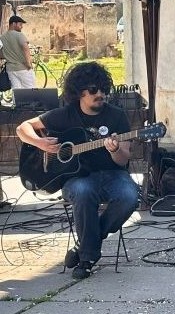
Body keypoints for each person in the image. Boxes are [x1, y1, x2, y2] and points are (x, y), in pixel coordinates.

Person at [15, 61, 139, 279]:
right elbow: (22, 128)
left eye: (103, 89)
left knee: (129, 196)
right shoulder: (65, 115)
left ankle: (87, 244)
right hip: (77, 178)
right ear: (79, 92)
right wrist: (40, 143)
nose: (100, 94)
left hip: (113, 174)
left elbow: (122, 160)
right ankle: (87, 258)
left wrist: (115, 149)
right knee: (83, 192)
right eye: (93, 89)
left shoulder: (117, 116)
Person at [0, 15, 35, 90]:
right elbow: (26, 48)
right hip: (23, 68)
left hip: (10, 69)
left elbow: (1, 54)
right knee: (30, 89)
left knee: (16, 90)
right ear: (13, 24)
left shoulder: (2, 37)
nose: (22, 27)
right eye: (20, 24)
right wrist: (28, 63)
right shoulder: (19, 35)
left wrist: (8, 55)